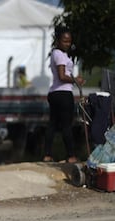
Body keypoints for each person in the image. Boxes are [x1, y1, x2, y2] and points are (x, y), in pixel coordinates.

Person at [43, 26, 85, 163]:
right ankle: (71, 155)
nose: (67, 44)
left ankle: (47, 154)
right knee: (67, 125)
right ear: (58, 41)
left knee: (53, 124)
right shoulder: (60, 55)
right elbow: (62, 76)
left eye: (69, 41)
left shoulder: (57, 53)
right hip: (63, 93)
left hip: (55, 93)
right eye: (64, 41)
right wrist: (75, 80)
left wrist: (74, 79)